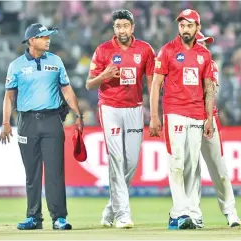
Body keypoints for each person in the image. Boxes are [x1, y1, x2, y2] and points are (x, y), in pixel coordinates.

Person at [0, 23, 83, 230]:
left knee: (55, 171)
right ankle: (33, 217)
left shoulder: (56, 61)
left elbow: (67, 90)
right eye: (43, 37)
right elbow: (9, 97)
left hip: (52, 121)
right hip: (26, 122)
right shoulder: (16, 65)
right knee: (32, 172)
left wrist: (78, 114)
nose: (48, 40)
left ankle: (59, 218)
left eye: (48, 37)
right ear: (31, 41)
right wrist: (5, 122)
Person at [86, 10, 155, 228]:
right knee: (116, 160)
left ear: (132, 27)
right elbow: (89, 84)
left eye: (125, 25)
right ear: (114, 28)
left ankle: (110, 209)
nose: (121, 30)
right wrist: (103, 76)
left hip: (135, 109)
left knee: (132, 162)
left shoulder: (145, 49)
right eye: (118, 26)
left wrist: (154, 115)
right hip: (110, 109)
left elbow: (153, 83)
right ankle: (123, 214)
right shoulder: (103, 50)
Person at [149, 9, 215, 230]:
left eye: (189, 25)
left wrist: (209, 118)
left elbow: (208, 87)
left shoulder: (204, 54)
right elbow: (156, 84)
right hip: (174, 111)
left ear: (197, 27)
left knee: (193, 164)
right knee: (176, 162)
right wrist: (155, 116)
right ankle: (182, 212)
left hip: (197, 114)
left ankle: (192, 213)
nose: (185, 29)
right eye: (182, 25)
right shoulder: (167, 50)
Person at [190, 32, 241, 228]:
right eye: (201, 43)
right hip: (188, 120)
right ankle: (194, 214)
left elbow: (210, 92)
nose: (205, 47)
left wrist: (208, 118)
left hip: (209, 119)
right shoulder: (181, 64)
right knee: (191, 169)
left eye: (206, 44)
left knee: (219, 169)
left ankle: (231, 212)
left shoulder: (211, 65)